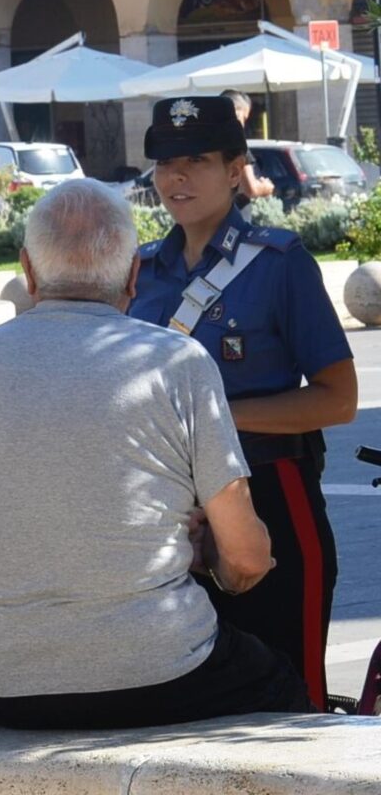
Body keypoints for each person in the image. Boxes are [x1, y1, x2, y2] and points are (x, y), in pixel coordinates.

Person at [0, 178, 312, 730]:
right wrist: (210, 559)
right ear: (134, 276)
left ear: (27, 268)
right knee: (285, 689)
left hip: (6, 681)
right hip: (157, 667)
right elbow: (248, 557)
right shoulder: (176, 361)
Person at [129, 96, 358, 711]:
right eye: (166, 162)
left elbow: (340, 400)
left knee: (291, 695)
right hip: (170, 513)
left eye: (197, 160)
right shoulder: (139, 272)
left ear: (236, 170)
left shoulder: (281, 264)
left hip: (272, 493)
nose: (177, 177)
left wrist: (215, 423)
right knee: (189, 700)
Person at [220, 89, 274, 216]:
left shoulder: (205, 144)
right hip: (235, 217)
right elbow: (250, 189)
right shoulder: (237, 145)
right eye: (243, 118)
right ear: (236, 112)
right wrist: (266, 187)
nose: (243, 125)